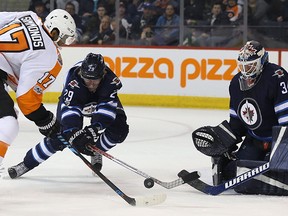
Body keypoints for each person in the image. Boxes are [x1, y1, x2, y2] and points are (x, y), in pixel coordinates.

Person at [8, 53, 129, 179]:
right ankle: (27, 164)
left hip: (101, 99)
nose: (92, 84)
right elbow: (71, 110)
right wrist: (72, 131)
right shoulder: (74, 82)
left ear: (103, 75)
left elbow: (106, 109)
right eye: (88, 79)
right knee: (60, 136)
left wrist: (95, 128)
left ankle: (96, 149)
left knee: (120, 130)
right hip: (76, 100)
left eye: (95, 80)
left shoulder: (110, 81)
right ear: (82, 74)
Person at [192, 40, 288, 195]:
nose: (246, 70)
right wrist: (223, 140)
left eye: (250, 65)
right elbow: (237, 123)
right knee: (235, 171)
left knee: (279, 171)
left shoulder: (276, 76)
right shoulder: (236, 83)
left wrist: (282, 149)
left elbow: (285, 118)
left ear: (262, 61)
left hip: (279, 139)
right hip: (255, 138)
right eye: (243, 65)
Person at [0, 9, 76, 177]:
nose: (62, 44)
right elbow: (27, 100)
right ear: (56, 32)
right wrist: (45, 119)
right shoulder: (50, 55)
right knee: (8, 124)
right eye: (63, 38)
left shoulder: (29, 16)